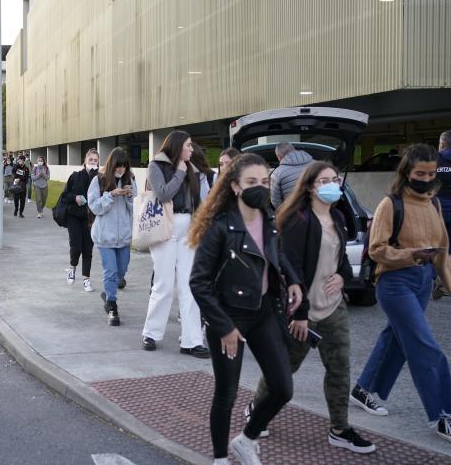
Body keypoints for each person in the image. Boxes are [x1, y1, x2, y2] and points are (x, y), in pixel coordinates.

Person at [247, 162, 375, 453]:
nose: (333, 185)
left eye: (335, 179)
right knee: (283, 370)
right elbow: (288, 270)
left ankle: (340, 429)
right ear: (309, 186)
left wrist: (343, 276)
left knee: (340, 368)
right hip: (303, 312)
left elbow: (341, 258)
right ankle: (257, 409)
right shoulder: (296, 221)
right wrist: (300, 314)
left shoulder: (339, 218)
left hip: (333, 308)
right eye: (325, 181)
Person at [189, 153, 302, 465]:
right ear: (236, 187)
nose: (260, 188)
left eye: (265, 182)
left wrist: (292, 280)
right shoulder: (220, 227)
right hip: (229, 316)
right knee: (227, 394)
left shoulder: (268, 216)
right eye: (252, 182)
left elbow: (277, 253)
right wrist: (223, 326)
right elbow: (198, 282)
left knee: (282, 388)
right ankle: (220, 458)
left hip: (264, 312)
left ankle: (246, 439)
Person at [351, 144, 451, 443]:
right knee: (426, 347)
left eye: (431, 173)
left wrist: (446, 281)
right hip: (395, 283)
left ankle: (365, 389)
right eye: (420, 173)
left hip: (422, 280)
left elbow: (443, 250)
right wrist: (412, 254)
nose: (426, 178)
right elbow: (376, 250)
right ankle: (444, 414)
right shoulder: (390, 204)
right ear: (406, 171)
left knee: (395, 338)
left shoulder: (433, 204)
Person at [141, 130, 210, 358]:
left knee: (189, 285)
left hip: (187, 229)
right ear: (178, 146)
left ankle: (192, 340)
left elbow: (196, 201)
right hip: (165, 229)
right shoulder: (156, 166)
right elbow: (163, 194)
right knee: (163, 284)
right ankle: (151, 333)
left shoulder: (190, 168)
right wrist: (180, 173)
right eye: (188, 145)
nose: (192, 149)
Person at [87, 147, 137, 326]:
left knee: (121, 271)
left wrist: (130, 197)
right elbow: (94, 207)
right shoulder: (99, 180)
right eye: (118, 166)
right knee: (110, 271)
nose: (121, 170)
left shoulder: (130, 179)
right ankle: (113, 307)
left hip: (124, 236)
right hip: (104, 236)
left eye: (124, 166)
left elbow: (135, 208)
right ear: (111, 165)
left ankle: (108, 295)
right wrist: (110, 195)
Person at [65, 148, 99, 292]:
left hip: (91, 219)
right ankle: (72, 267)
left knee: (87, 249)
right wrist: (75, 197)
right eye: (90, 159)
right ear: (85, 161)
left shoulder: (100, 178)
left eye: (95, 160)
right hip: (74, 216)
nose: (92, 162)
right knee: (76, 247)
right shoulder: (76, 176)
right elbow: (65, 195)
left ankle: (86, 279)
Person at [270, 141, 314, 209]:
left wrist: (286, 212)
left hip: (294, 214)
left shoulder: (277, 173)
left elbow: (275, 200)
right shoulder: (317, 164)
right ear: (294, 150)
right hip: (317, 211)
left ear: (279, 157)